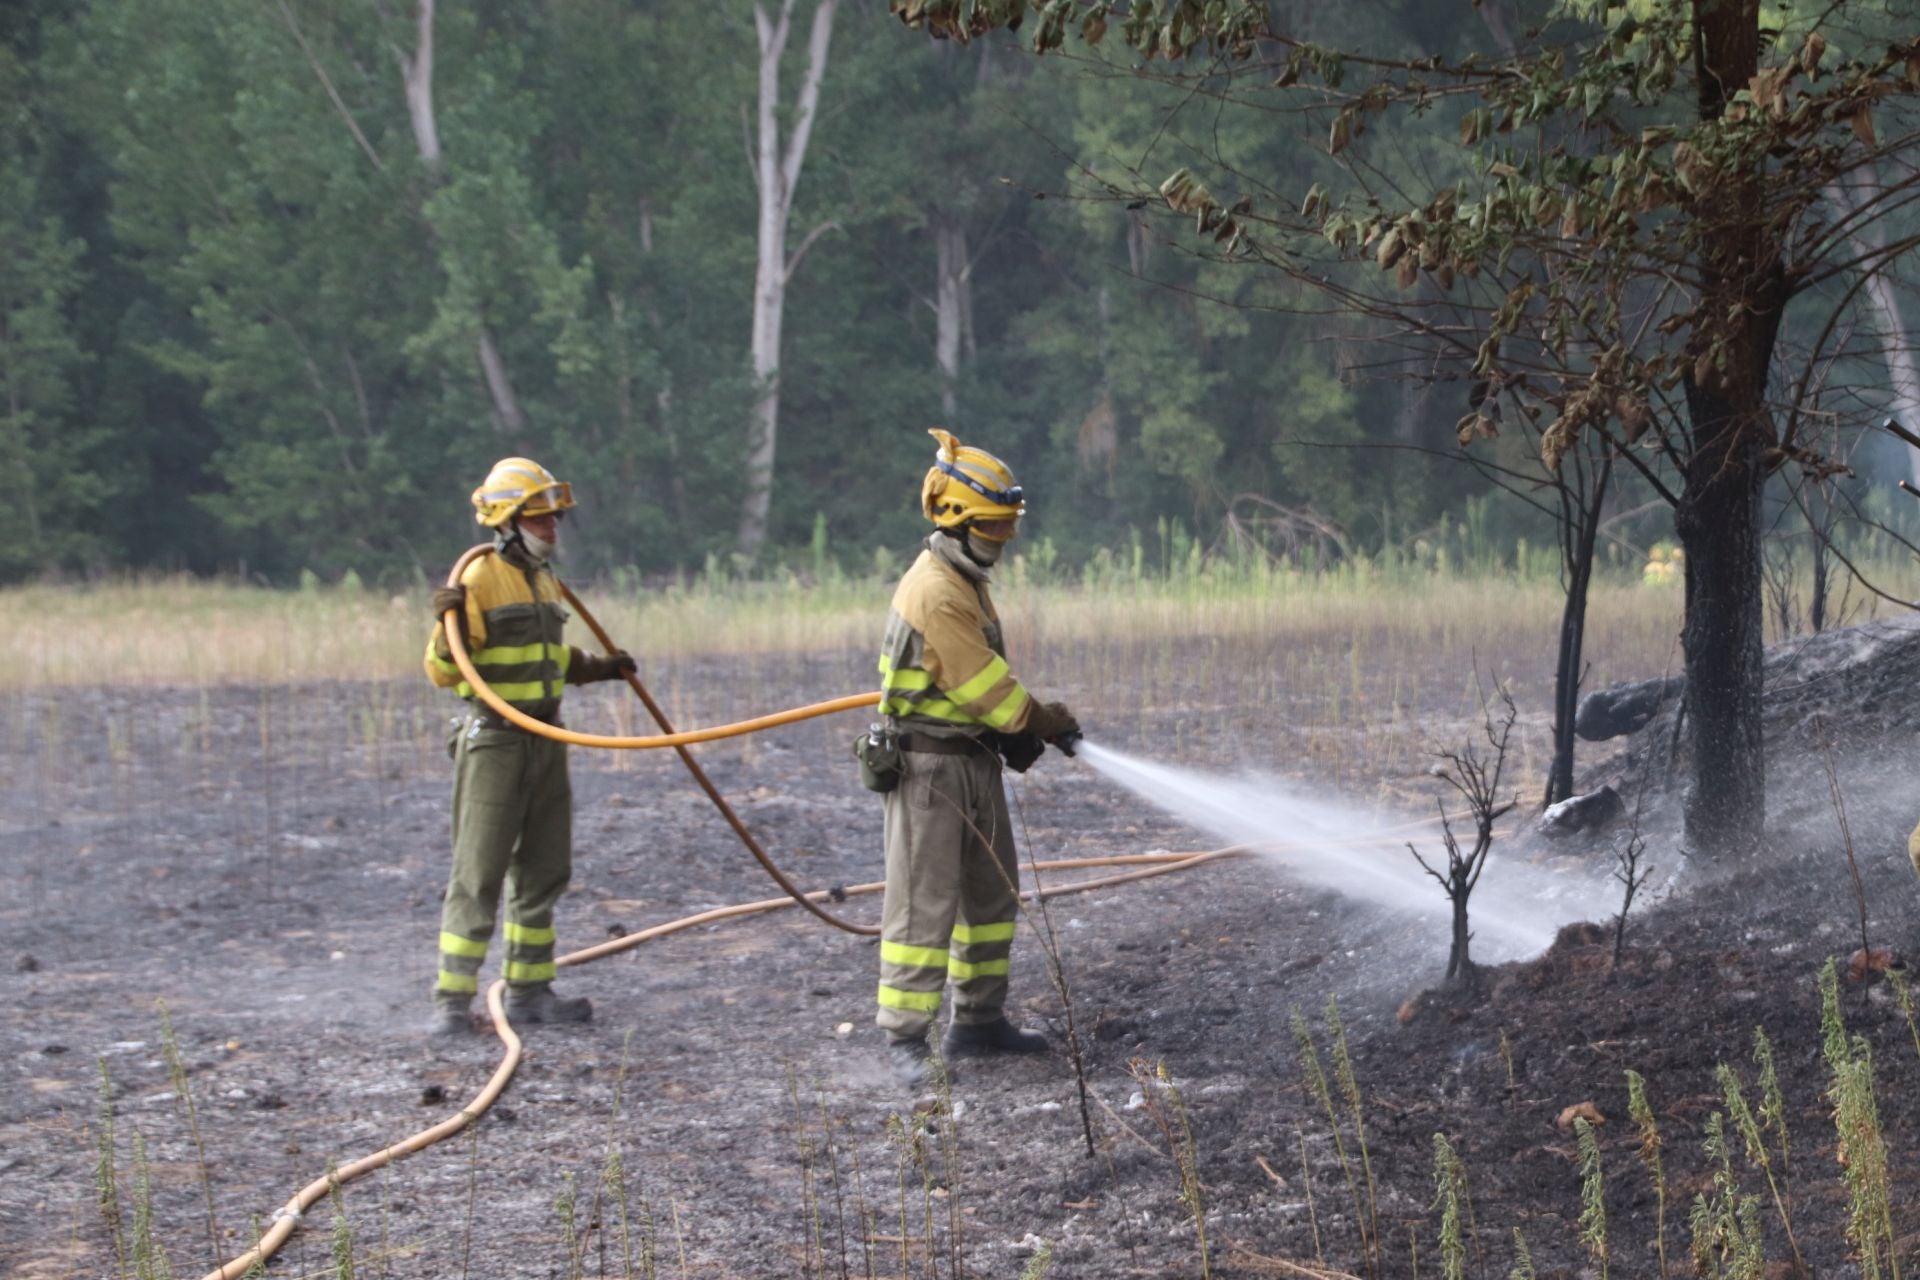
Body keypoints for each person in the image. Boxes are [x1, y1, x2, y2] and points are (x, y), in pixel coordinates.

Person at [872, 429, 1080, 1087]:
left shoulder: (963, 577)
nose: (1002, 538)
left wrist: (1010, 734)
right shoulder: (935, 590)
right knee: (923, 905)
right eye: (992, 525)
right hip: (929, 768)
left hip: (972, 759)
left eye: (1006, 525)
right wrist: (1040, 721)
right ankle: (905, 1037)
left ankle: (978, 1021)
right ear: (957, 521)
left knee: (991, 898)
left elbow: (978, 684)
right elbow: (986, 688)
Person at [422, 457, 634, 1037]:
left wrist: (598, 667)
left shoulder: (542, 580)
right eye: (539, 518)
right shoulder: (478, 578)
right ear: (509, 522)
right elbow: (444, 671)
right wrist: (446, 632)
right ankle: (451, 1002)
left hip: (546, 739)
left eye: (554, 518)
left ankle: (529, 993)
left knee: (544, 869)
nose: (551, 528)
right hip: (496, 743)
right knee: (480, 871)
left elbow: (544, 657)